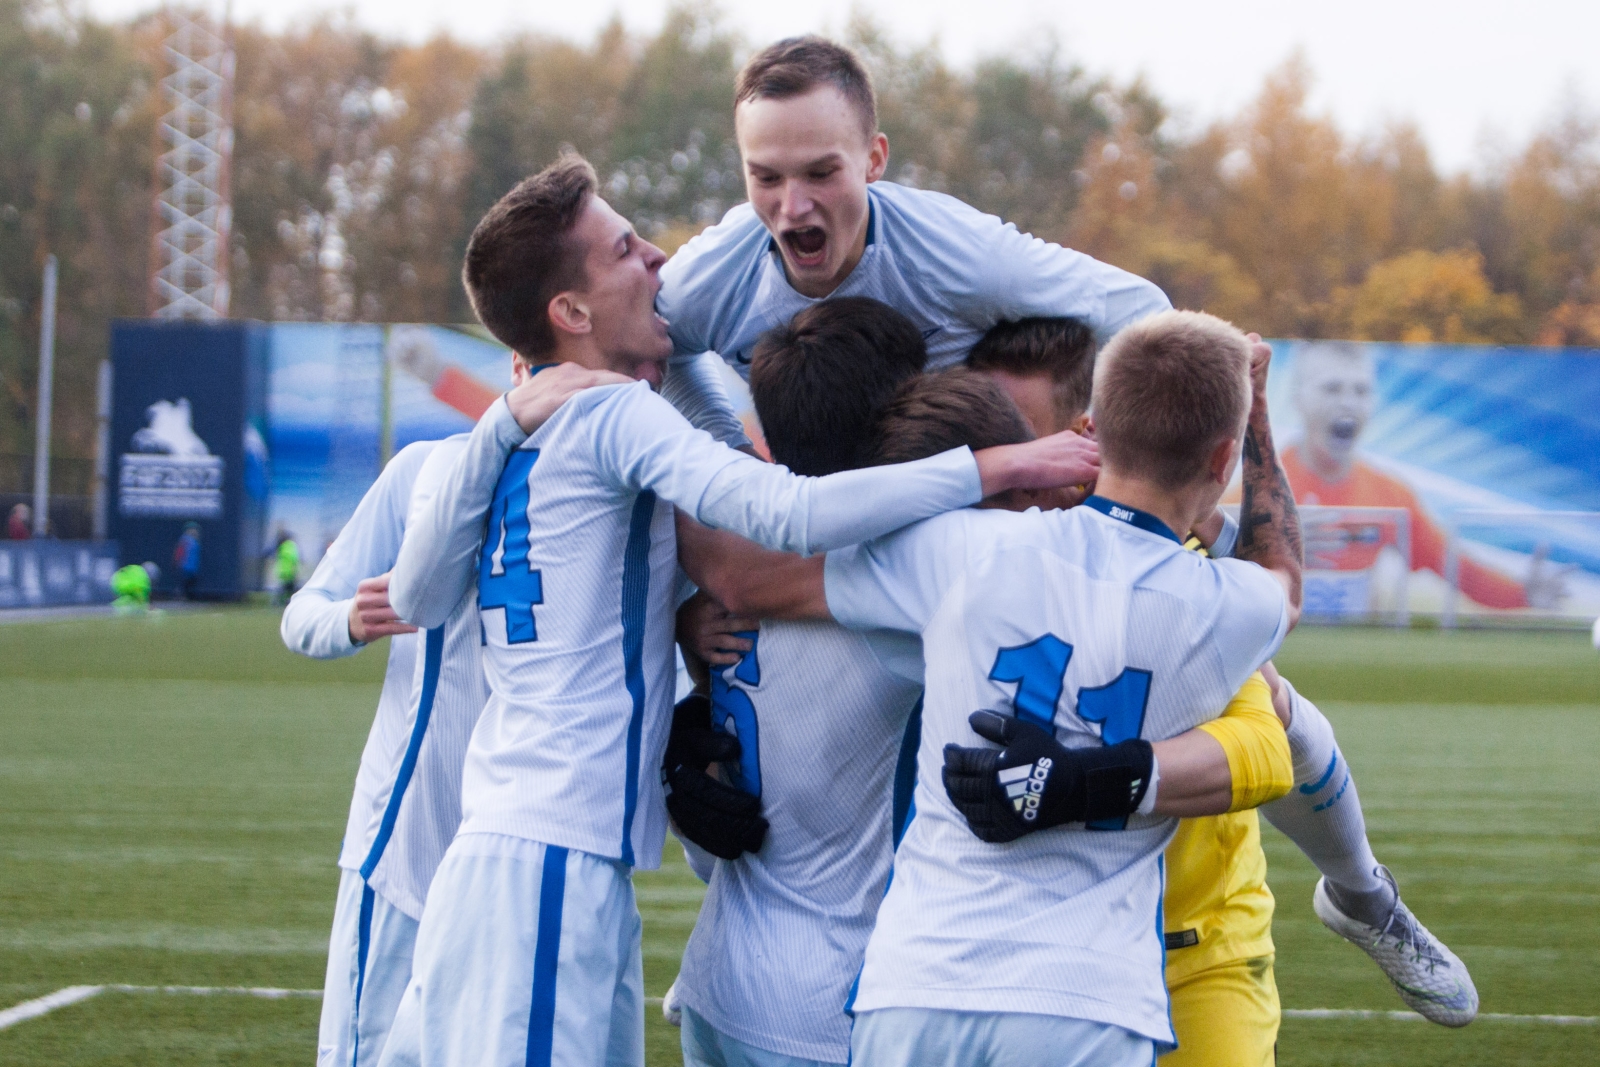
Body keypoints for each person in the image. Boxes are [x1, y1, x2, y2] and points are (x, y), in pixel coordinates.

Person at [373, 155, 1095, 1067]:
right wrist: (999, 467)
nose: (661, 259)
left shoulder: (538, 427)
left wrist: (502, 420)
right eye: (629, 249)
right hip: (566, 857)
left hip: (526, 850)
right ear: (572, 312)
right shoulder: (618, 421)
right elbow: (784, 511)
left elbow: (413, 595)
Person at [668, 306, 1296, 1067]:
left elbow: (743, 569)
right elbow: (1282, 591)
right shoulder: (1221, 604)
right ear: (1221, 458)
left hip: (901, 982)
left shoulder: (958, 550)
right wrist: (1256, 416)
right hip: (1076, 993)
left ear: (1090, 426)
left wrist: (688, 628)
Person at [961, 319, 1477, 1060]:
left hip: (1196, 942)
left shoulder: (1167, 555)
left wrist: (1081, 782)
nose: (1029, 464)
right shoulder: (959, 556)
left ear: (1092, 435)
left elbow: (1261, 744)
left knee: (1272, 697)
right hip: (1026, 944)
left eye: (1041, 438)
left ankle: (1362, 892)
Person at [654, 35, 1170, 449]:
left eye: (820, 172)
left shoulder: (963, 256)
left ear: (874, 160)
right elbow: (657, 354)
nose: (793, 206)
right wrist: (729, 453)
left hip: (962, 517)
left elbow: (1145, 315)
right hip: (813, 515)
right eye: (766, 178)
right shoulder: (706, 279)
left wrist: (1106, 468)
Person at [1275, 340, 1565, 609]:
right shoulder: (1259, 489)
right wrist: (1265, 546)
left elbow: (1451, 564)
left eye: (1361, 390)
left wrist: (1521, 594)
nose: (1348, 402)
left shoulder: (1389, 494)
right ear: (1298, 398)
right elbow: (1228, 568)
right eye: (1332, 388)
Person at [173, 523, 202, 600]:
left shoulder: (195, 541)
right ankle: (180, 596)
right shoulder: (185, 540)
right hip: (185, 566)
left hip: (193, 567)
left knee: (191, 582)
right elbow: (179, 552)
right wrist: (178, 561)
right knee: (184, 582)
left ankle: (188, 597)